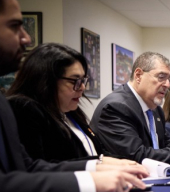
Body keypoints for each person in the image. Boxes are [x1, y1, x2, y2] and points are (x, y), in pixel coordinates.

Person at [0, 0, 147, 192]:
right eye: (14, 26)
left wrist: (96, 168)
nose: (26, 38)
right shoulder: (21, 106)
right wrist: (89, 181)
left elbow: (28, 167)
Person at [7, 43, 136, 164]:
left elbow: (97, 151)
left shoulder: (71, 111)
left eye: (83, 80)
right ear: (46, 80)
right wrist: (99, 163)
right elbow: (38, 166)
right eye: (75, 80)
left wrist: (124, 163)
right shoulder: (24, 109)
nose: (82, 87)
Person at [91, 51, 170, 165]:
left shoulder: (155, 109)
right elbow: (136, 155)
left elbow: (167, 144)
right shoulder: (116, 107)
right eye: (161, 77)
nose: (167, 84)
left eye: (169, 79)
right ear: (138, 75)